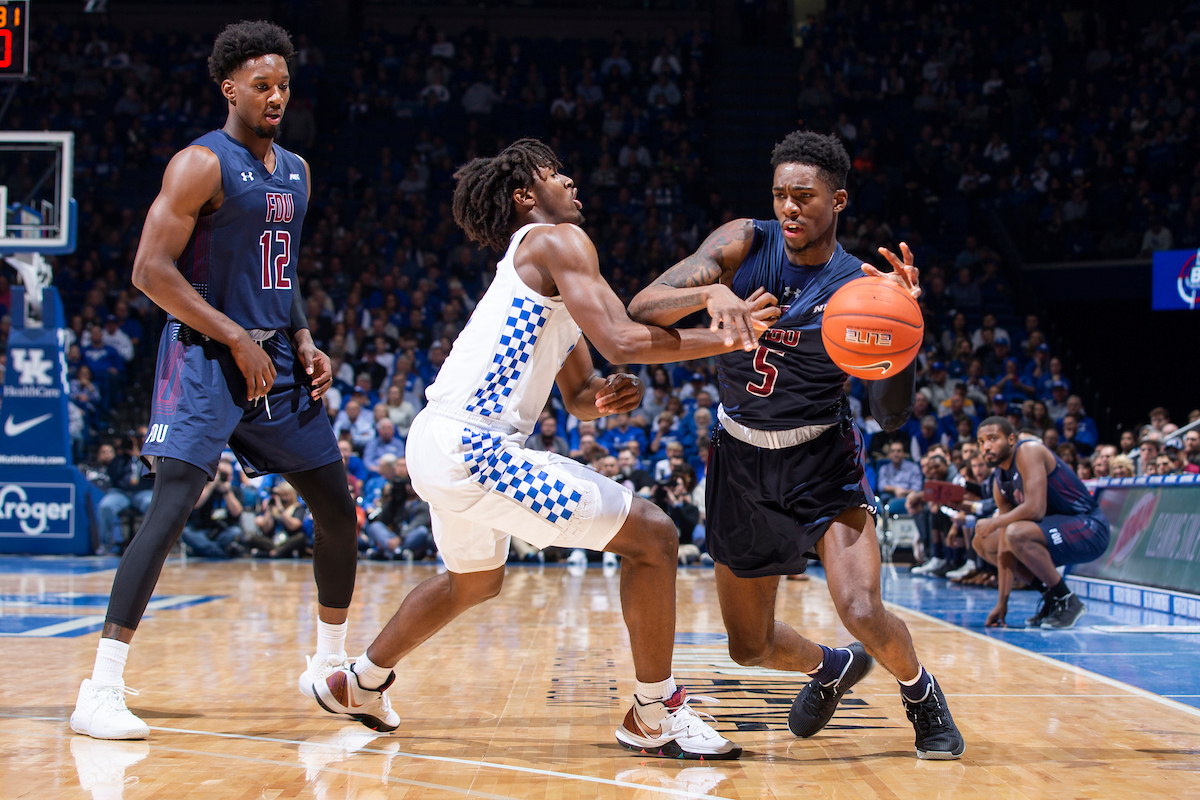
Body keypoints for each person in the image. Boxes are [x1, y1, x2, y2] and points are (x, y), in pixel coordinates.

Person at [311, 138, 777, 758]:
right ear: (526, 196)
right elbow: (623, 336)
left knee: (471, 582)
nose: (572, 181)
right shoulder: (557, 241)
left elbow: (583, 389)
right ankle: (653, 711)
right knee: (655, 537)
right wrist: (717, 308)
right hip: (474, 448)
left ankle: (358, 682)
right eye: (557, 174)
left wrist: (604, 396)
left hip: (439, 440)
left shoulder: (544, 272)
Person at [628, 131, 964, 760]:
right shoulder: (741, 243)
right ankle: (832, 667)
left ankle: (921, 694)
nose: (788, 207)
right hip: (738, 456)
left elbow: (891, 418)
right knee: (748, 647)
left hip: (821, 455)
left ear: (837, 201)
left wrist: (906, 335)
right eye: (780, 193)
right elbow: (641, 307)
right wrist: (709, 293)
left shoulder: (862, 289)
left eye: (803, 196)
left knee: (862, 607)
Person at [71, 21, 359, 741]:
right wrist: (233, 336)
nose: (276, 97)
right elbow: (149, 271)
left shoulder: (295, 170)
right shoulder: (201, 164)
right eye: (262, 85)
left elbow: (280, 271)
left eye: (284, 86)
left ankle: (331, 669)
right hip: (205, 355)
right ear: (229, 88)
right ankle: (99, 689)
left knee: (337, 509)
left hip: (274, 361)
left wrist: (302, 337)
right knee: (170, 511)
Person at [974, 416, 1111, 630]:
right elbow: (1004, 546)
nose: (986, 446)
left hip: (1089, 527)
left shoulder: (1028, 450)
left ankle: (1068, 600)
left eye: (992, 438)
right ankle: (1051, 596)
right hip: (1055, 530)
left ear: (1011, 439)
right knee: (983, 542)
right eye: (981, 442)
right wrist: (1003, 602)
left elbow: (1035, 509)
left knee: (1015, 532)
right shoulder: (999, 478)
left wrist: (995, 522)